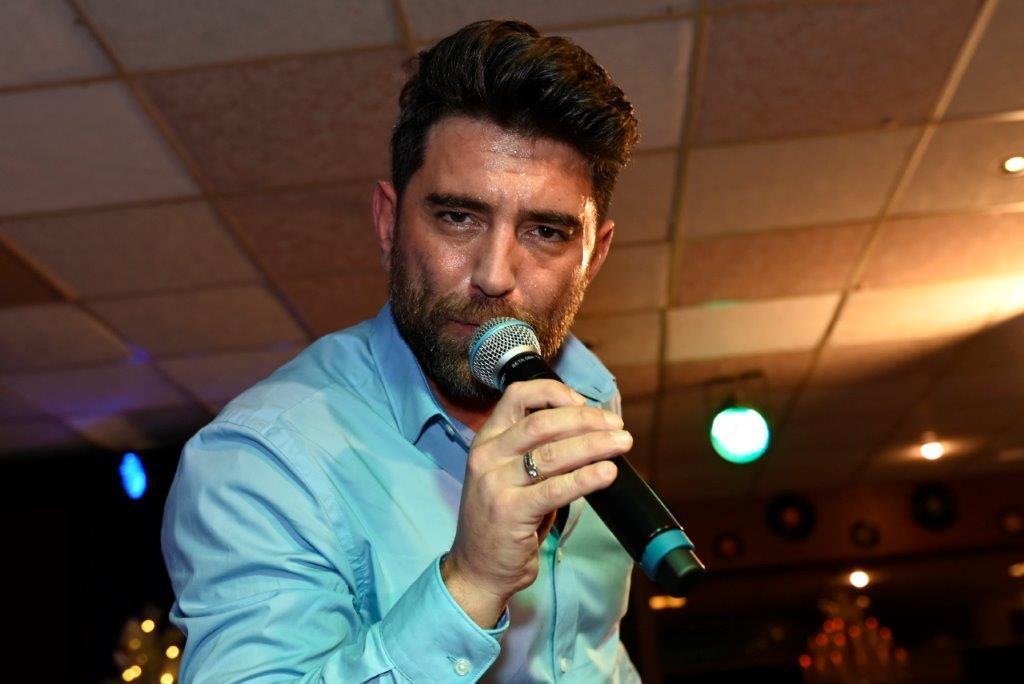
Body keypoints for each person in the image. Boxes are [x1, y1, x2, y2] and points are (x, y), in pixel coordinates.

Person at [162, 19, 642, 682]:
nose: (495, 275)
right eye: (458, 217)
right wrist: (470, 584)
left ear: (593, 256)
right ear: (389, 223)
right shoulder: (261, 462)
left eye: (546, 232)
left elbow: (586, 652)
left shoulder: (588, 394)